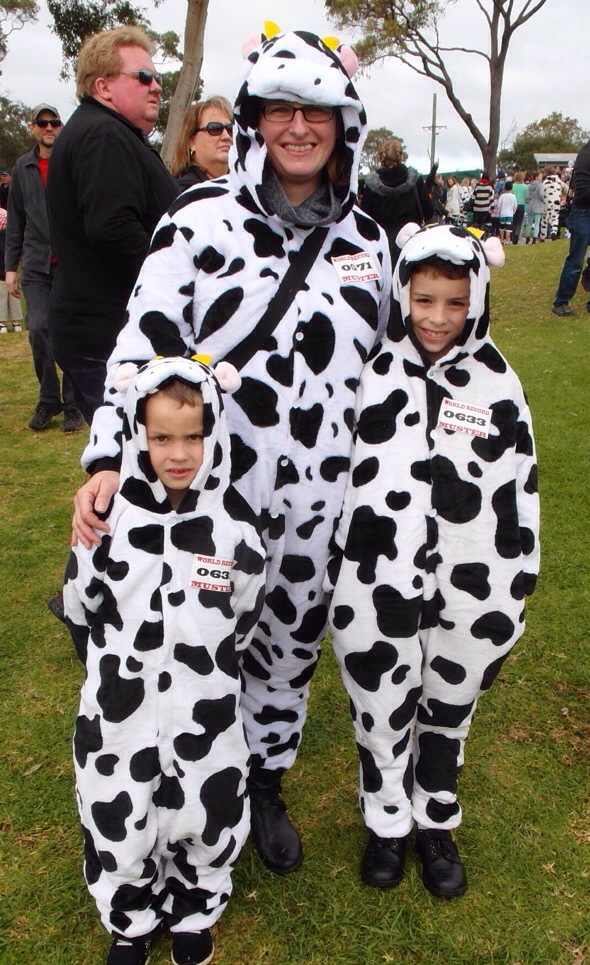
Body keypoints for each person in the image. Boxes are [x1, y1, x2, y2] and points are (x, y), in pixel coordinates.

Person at [71, 27, 391, 877]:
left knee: (289, 647)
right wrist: (107, 459)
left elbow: (393, 375)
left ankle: (263, 784)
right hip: (210, 500)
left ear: (343, 122)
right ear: (254, 119)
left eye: (316, 110)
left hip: (322, 505)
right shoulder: (196, 220)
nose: (298, 127)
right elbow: (140, 347)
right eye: (280, 109)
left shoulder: (370, 243)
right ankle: (184, 789)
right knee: (198, 649)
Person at [327, 222, 539, 897]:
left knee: (448, 706)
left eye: (454, 302)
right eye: (424, 300)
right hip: (376, 579)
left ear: (476, 300)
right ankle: (387, 820)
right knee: (380, 705)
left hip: (472, 583)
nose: (438, 318)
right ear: (403, 295)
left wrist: (517, 578)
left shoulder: (498, 382)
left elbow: (521, 486)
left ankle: (435, 818)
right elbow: (339, 477)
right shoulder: (373, 374)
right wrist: (339, 566)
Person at [63, 355, 265, 965]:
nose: (179, 454)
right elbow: (80, 602)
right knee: (117, 808)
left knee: (210, 805)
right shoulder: (110, 518)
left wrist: (206, 666)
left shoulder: (234, 529)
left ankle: (196, 909)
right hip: (119, 708)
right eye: (161, 437)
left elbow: (245, 613)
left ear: (214, 434)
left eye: (193, 436)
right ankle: (129, 917)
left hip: (206, 705)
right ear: (137, 435)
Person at [46, 25, 179, 425]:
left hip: (104, 332)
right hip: (108, 338)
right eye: (143, 76)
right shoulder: (103, 134)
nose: (156, 86)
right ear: (103, 87)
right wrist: (173, 283)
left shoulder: (109, 132)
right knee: (130, 453)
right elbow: (112, 228)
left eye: (156, 76)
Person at [5, 104, 83, 432]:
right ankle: (48, 399)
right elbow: (16, 220)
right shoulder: (22, 167)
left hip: (69, 265)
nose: (49, 127)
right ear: (33, 128)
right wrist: (10, 267)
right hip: (35, 265)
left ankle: (73, 404)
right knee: (37, 329)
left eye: (54, 122)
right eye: (42, 122)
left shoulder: (72, 162)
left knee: (68, 333)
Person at [360, 137, 434, 264]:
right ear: (400, 156)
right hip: (410, 244)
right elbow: (428, 211)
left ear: (381, 157)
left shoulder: (372, 185)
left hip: (381, 246)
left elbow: (364, 219)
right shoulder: (415, 180)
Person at [552, 140, 590, 316]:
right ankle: (561, 302)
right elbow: (583, 190)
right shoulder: (586, 154)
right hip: (583, 213)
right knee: (575, 261)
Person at [168, 95, 233, 190]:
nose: (226, 136)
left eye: (230, 129)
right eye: (215, 128)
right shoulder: (181, 193)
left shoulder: (246, 190)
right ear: (191, 141)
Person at [522, 171, 543, 244]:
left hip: (531, 204)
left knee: (529, 222)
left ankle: (527, 237)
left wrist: (530, 200)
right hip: (538, 204)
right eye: (540, 176)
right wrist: (542, 200)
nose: (541, 177)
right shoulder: (540, 185)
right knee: (537, 223)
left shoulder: (529, 185)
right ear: (536, 177)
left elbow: (527, 196)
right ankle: (534, 238)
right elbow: (541, 195)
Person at [510, 171, 527, 244]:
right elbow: (526, 196)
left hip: (514, 205)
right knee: (519, 222)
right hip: (521, 205)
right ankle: (517, 233)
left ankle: (513, 236)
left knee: (514, 221)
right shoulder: (525, 186)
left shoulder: (513, 186)